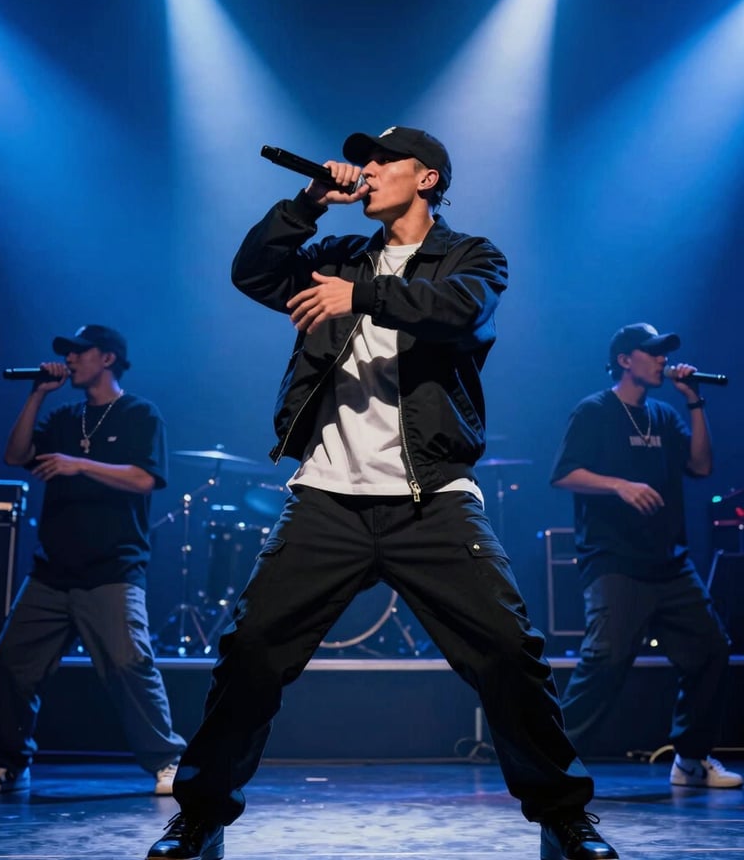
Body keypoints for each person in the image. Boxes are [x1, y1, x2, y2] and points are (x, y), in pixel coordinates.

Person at [146, 127, 618, 860]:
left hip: (431, 495)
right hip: (327, 496)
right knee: (250, 652)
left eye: (381, 162)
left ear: (426, 178)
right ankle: (201, 817)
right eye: (360, 163)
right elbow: (254, 272)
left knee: (506, 650)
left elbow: (458, 311)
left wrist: (357, 295)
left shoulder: (472, 256)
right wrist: (307, 202)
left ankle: (563, 818)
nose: (365, 172)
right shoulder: (336, 255)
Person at [0, 325, 186, 796]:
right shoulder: (65, 417)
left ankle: (167, 760)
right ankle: (8, 763)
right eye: (66, 354)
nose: (69, 360)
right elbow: (15, 456)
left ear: (107, 358)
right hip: (52, 571)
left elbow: (145, 480)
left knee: (130, 663)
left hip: (113, 568)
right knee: (11, 662)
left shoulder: (139, 414)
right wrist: (36, 396)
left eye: (78, 352)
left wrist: (80, 465)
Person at [550, 322, 741, 789]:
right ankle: (550, 763)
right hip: (614, 560)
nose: (661, 360)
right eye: (652, 353)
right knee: (607, 660)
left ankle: (691, 760)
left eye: (663, 353)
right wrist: (618, 484)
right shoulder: (594, 411)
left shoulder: (663, 415)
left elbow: (701, 466)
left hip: (670, 563)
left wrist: (693, 400)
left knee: (711, 652)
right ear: (624, 360)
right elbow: (564, 474)